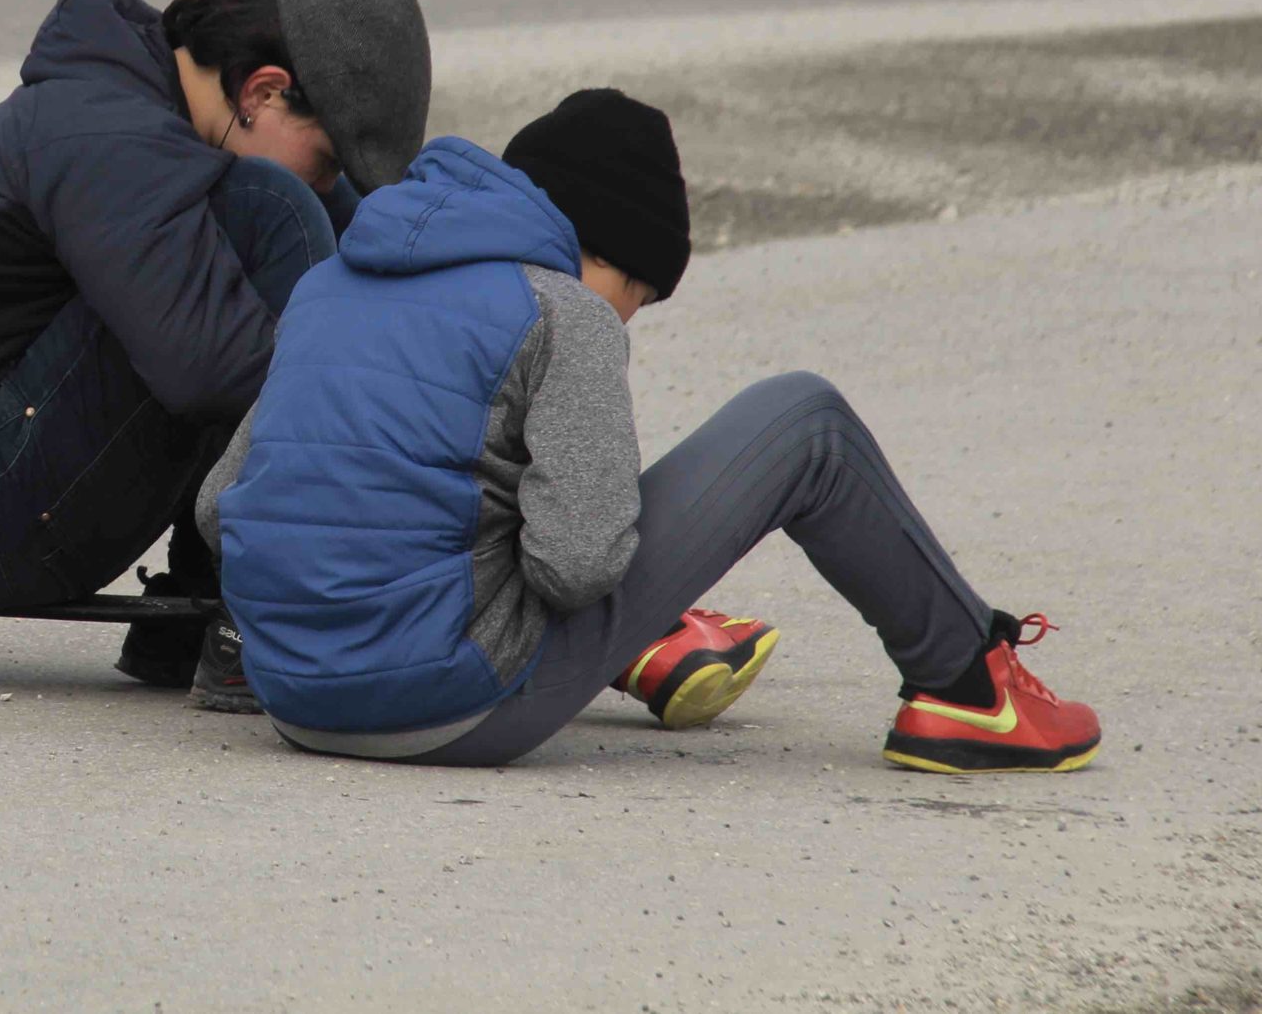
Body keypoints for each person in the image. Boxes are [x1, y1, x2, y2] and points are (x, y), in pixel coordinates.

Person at [199, 89, 1102, 773]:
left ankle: (670, 638)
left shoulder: (329, 288)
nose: (627, 320)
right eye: (637, 295)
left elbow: (217, 505)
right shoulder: (563, 312)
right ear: (602, 251)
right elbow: (576, 565)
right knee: (805, 418)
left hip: (291, 697)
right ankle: (971, 688)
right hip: (444, 707)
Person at [0, 0, 432, 694]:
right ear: (262, 91)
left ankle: (198, 615)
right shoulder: (105, 131)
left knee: (301, 220)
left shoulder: (144, 117)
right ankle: (264, 613)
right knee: (275, 209)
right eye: (330, 157)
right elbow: (210, 371)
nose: (330, 179)